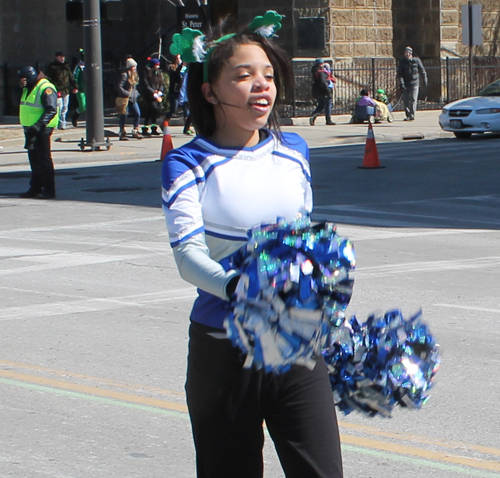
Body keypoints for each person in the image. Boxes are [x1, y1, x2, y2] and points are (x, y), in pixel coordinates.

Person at [162, 15, 343, 478]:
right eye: (243, 76)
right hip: (223, 347)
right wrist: (239, 286)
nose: (261, 86)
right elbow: (187, 256)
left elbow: (305, 240)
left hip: (294, 340)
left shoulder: (294, 149)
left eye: (267, 75)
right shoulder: (188, 162)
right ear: (210, 91)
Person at [18, 66, 58, 199]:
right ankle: (35, 188)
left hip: (42, 128)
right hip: (31, 128)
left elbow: (51, 109)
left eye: (24, 79)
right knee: (34, 160)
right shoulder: (29, 87)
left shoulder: (45, 87)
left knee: (44, 159)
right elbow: (18, 103)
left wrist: (38, 125)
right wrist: (20, 88)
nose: (22, 81)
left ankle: (49, 190)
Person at [46, 51, 78, 130]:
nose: (62, 58)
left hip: (66, 89)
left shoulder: (66, 67)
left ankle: (63, 123)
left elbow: (70, 77)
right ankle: (58, 123)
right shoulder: (52, 67)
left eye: (63, 57)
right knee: (59, 107)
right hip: (57, 90)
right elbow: (48, 78)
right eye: (60, 57)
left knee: (65, 107)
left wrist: (75, 86)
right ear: (57, 57)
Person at [397, 46, 428, 121]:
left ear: (411, 53)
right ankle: (408, 115)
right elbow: (400, 74)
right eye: (405, 52)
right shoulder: (402, 62)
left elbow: (422, 71)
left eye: (408, 52)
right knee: (406, 100)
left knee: (413, 99)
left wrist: (425, 80)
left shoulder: (416, 60)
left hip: (415, 82)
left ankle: (412, 115)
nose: (407, 54)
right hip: (406, 83)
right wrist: (402, 84)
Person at [116, 57, 142, 140]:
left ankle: (135, 130)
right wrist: (127, 93)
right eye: (134, 67)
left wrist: (136, 94)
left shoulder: (135, 76)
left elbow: (135, 87)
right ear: (130, 67)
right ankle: (122, 132)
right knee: (124, 115)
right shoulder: (125, 75)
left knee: (137, 113)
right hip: (126, 98)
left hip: (133, 98)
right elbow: (119, 86)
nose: (135, 68)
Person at [141, 57, 165, 136]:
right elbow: (146, 84)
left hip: (157, 94)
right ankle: (146, 128)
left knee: (152, 111)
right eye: (156, 65)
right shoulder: (147, 72)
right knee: (154, 109)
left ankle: (151, 128)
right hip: (149, 95)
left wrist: (160, 91)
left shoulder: (159, 73)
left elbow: (161, 83)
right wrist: (152, 93)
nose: (157, 67)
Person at [310, 58, 335, 126]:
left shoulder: (315, 71)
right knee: (328, 105)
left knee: (321, 105)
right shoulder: (321, 72)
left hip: (317, 91)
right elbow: (323, 82)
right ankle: (328, 120)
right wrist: (328, 91)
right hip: (324, 91)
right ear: (320, 64)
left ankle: (314, 115)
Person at [165, 54, 184, 120]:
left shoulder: (184, 68)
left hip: (182, 91)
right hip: (174, 91)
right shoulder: (172, 67)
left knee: (186, 109)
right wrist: (180, 66)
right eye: (177, 58)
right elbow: (175, 75)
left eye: (180, 58)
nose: (179, 60)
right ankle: (165, 121)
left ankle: (187, 128)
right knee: (173, 109)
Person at [72, 48, 86, 127]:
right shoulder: (79, 67)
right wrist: (75, 86)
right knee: (83, 106)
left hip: (89, 89)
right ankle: (75, 116)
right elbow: (75, 76)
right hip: (81, 89)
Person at [177, 65, 193, 135]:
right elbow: (183, 86)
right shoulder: (187, 74)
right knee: (190, 113)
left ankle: (187, 128)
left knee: (191, 114)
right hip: (187, 97)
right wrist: (182, 98)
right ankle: (187, 128)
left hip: (190, 95)